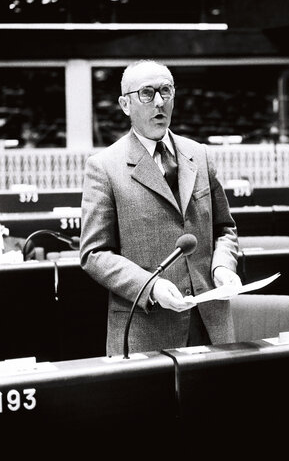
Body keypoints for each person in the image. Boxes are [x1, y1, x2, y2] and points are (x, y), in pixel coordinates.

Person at [80, 59, 242, 356]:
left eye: (166, 91)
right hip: (149, 328)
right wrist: (150, 286)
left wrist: (222, 265)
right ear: (125, 104)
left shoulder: (200, 155)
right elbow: (94, 253)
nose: (159, 102)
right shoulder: (104, 167)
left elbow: (225, 228)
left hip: (211, 323)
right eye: (147, 93)